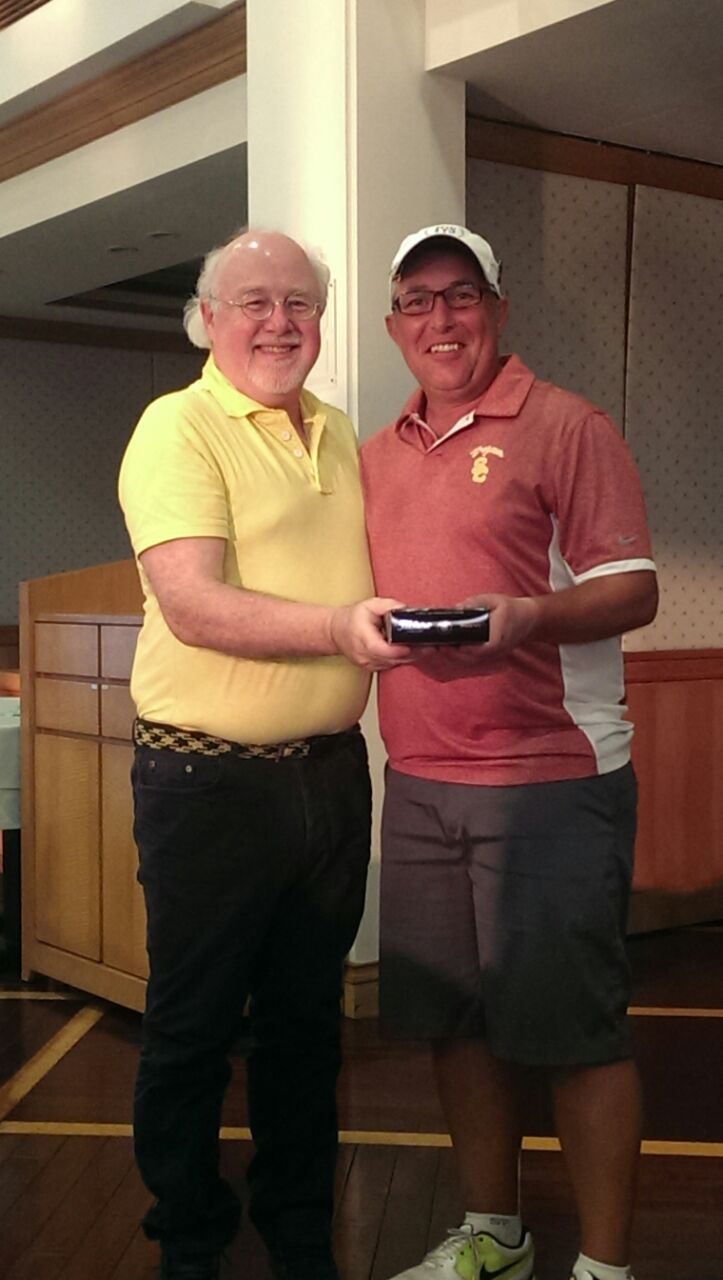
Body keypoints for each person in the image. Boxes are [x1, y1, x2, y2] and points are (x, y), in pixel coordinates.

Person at [360, 224, 658, 1280]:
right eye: (418, 301)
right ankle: (496, 1234)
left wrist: (527, 615)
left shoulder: (567, 424)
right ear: (394, 325)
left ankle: (606, 1268)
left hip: (550, 778)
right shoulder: (377, 452)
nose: (441, 319)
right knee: (456, 1023)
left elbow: (633, 588)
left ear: (497, 308)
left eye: (461, 295)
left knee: (575, 1033)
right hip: (419, 779)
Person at [118, 228, 409, 1280]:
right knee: (192, 1028)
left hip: (329, 776)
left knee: (306, 1025)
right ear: (207, 319)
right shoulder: (178, 425)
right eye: (253, 302)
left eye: (299, 303)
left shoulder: (337, 430)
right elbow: (193, 604)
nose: (279, 322)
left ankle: (297, 1231)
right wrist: (337, 629)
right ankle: (190, 1241)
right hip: (207, 782)